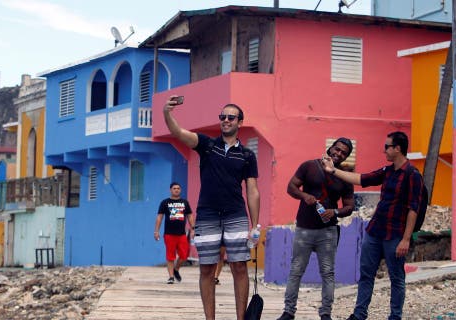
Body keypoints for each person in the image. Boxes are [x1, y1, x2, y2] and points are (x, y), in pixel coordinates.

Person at [163, 96, 260, 320]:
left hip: (236, 214)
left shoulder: (247, 155)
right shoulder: (207, 145)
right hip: (207, 216)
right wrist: (167, 113)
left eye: (230, 117)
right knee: (206, 269)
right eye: (222, 117)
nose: (225, 120)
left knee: (239, 268)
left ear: (239, 122)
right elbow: (179, 133)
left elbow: (252, 190)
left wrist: (255, 225)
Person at [321, 131, 424, 320]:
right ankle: (359, 315)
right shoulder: (388, 171)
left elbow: (413, 209)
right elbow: (362, 179)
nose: (384, 150)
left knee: (397, 278)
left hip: (395, 234)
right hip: (375, 231)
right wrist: (333, 170)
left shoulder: (413, 175)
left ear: (397, 149)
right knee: (366, 275)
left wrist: (406, 239)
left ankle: (395, 316)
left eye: (387, 147)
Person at [278, 138, 355, 320]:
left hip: (328, 231)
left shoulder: (344, 177)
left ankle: (326, 313)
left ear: (346, 157)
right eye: (337, 149)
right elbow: (291, 187)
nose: (338, 153)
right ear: (330, 148)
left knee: (328, 273)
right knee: (296, 270)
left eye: (343, 152)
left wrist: (334, 212)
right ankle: (288, 312)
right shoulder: (309, 166)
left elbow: (349, 206)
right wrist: (304, 195)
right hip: (304, 227)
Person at [154, 182, 195, 284]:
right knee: (170, 256)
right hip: (169, 234)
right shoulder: (165, 203)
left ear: (180, 190)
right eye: (174, 188)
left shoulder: (185, 202)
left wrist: (193, 229)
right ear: (170, 190)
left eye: (178, 188)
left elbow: (190, 216)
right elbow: (159, 217)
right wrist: (156, 231)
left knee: (184, 255)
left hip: (181, 234)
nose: (176, 190)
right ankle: (171, 277)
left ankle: (176, 269)